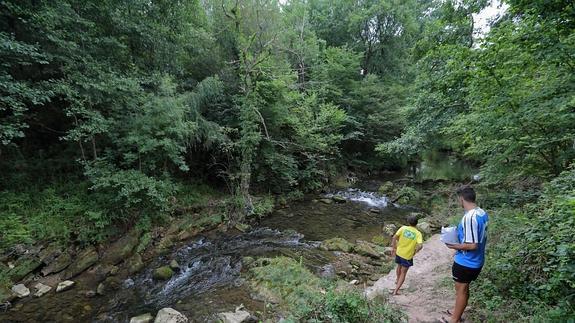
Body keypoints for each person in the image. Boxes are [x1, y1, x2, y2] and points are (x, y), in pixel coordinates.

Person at [444, 186, 489, 323]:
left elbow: (472, 245)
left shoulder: (469, 217)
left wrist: (453, 246)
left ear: (461, 199)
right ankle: (457, 311)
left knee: (461, 289)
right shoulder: (481, 212)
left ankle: (454, 319)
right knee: (463, 289)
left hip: (466, 262)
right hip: (476, 260)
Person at [391, 214, 423, 295]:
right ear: (416, 223)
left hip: (399, 252)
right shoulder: (418, 233)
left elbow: (394, 237)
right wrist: (415, 252)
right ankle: (396, 291)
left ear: (408, 222)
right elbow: (420, 245)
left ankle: (397, 280)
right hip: (407, 256)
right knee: (403, 273)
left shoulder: (403, 228)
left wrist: (394, 248)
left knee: (399, 266)